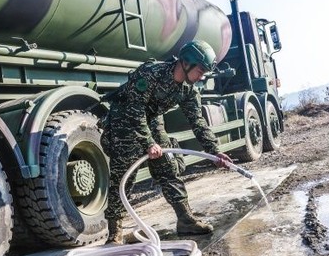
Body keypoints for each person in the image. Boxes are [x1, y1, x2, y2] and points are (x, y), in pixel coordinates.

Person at [100, 39, 234, 244]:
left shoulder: (188, 89)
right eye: (200, 71)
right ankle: (114, 233)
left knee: (168, 167)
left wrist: (214, 151)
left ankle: (185, 220)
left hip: (152, 118)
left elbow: (197, 121)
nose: (202, 76)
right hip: (124, 118)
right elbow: (134, 109)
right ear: (186, 63)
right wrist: (148, 143)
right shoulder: (150, 74)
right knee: (123, 173)